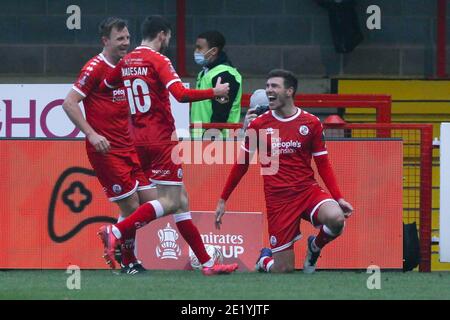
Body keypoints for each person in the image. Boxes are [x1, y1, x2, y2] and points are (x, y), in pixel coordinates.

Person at [97, 15, 238, 275]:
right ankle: (115, 231)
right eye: (168, 37)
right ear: (162, 35)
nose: (167, 42)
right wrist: (214, 93)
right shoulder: (158, 59)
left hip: (136, 139)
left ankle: (207, 263)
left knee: (181, 201)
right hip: (161, 139)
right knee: (171, 201)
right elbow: (181, 95)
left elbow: (107, 84)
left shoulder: (126, 60)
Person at [215, 69, 353, 273]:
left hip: (307, 191)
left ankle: (314, 246)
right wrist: (223, 199)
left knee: (336, 218)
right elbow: (241, 164)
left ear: (289, 91)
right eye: (267, 86)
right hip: (278, 200)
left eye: (274, 86)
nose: (268, 90)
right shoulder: (259, 124)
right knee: (283, 270)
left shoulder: (311, 122)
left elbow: (323, 163)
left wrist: (338, 197)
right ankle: (265, 260)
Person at [62, 17, 154, 274]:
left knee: (153, 202)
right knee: (131, 207)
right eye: (119, 39)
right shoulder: (94, 68)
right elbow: (69, 103)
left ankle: (115, 237)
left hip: (129, 146)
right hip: (105, 151)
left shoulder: (127, 67)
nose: (125, 43)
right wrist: (91, 134)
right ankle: (127, 260)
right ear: (105, 41)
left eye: (127, 38)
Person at [190, 30, 242, 138]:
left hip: (220, 141)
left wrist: (209, 138)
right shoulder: (204, 73)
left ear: (213, 51)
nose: (196, 51)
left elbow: (221, 113)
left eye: (199, 48)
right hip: (199, 138)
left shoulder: (225, 75)